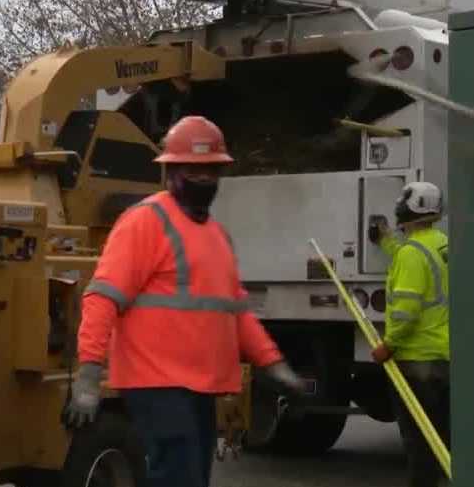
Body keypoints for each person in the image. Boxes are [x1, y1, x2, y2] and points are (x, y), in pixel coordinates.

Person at [62, 115, 305, 487]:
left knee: (192, 478)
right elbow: (102, 297)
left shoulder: (216, 237)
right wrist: (89, 375)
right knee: (178, 477)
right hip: (156, 383)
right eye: (193, 171)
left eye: (211, 172)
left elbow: (236, 312)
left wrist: (274, 364)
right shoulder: (144, 223)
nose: (203, 180)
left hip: (201, 387)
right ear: (171, 172)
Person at [368, 181, 450, 487]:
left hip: (416, 360)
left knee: (419, 442)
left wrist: (388, 346)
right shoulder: (441, 243)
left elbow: (405, 313)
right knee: (442, 438)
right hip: (443, 357)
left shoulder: (411, 255)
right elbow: (412, 258)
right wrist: (387, 241)